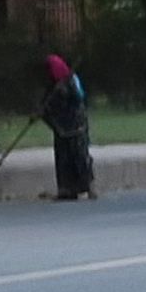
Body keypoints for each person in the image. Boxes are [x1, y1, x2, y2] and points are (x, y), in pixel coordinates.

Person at [41, 54, 96, 200]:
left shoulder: (71, 80)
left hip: (76, 125)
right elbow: (46, 104)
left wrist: (64, 91)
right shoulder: (52, 84)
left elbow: (79, 98)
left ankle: (86, 187)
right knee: (63, 159)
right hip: (61, 127)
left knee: (79, 156)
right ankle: (66, 189)